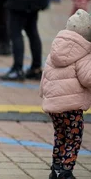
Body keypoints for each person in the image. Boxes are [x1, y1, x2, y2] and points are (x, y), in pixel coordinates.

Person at [40, 9, 91, 179]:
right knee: (74, 136)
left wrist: (44, 95)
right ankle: (66, 171)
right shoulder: (84, 53)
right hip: (71, 106)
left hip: (54, 106)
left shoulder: (56, 48)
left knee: (60, 135)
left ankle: (55, 168)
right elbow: (87, 78)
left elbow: (45, 75)